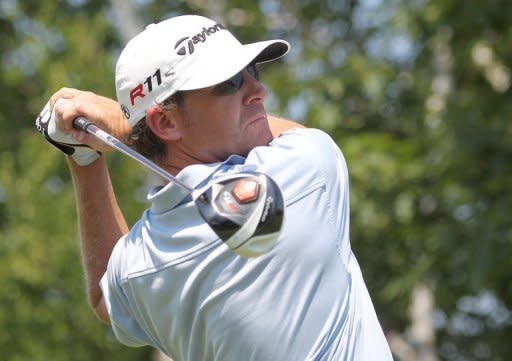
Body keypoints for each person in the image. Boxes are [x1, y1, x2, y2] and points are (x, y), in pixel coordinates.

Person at [36, 14, 394, 361]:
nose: (258, 90)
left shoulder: (143, 267)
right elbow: (291, 134)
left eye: (251, 72)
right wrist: (121, 125)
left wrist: (84, 158)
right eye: (230, 83)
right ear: (164, 121)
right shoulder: (304, 173)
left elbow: (104, 297)